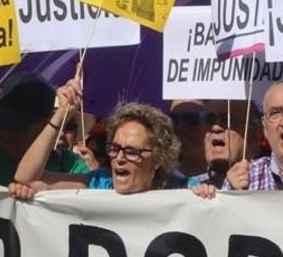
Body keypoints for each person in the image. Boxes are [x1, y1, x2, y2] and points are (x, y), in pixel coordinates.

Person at [13, 78, 183, 195]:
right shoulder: (99, 183)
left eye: (132, 151)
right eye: (114, 149)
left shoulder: (180, 190)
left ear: (158, 159)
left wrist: (205, 195)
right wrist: (62, 113)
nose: (119, 158)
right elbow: (26, 178)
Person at [0, 74, 92, 186]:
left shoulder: (70, 169)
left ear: (43, 126)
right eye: (1, 120)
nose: (7, 130)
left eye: (18, 125)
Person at [188, 100, 264, 188]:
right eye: (209, 120)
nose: (215, 128)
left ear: (254, 135)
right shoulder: (189, 188)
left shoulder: (272, 180)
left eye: (227, 120)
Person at [169, 99, 208, 179]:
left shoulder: (230, 178)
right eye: (174, 118)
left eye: (191, 117)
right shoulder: (156, 179)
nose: (181, 127)